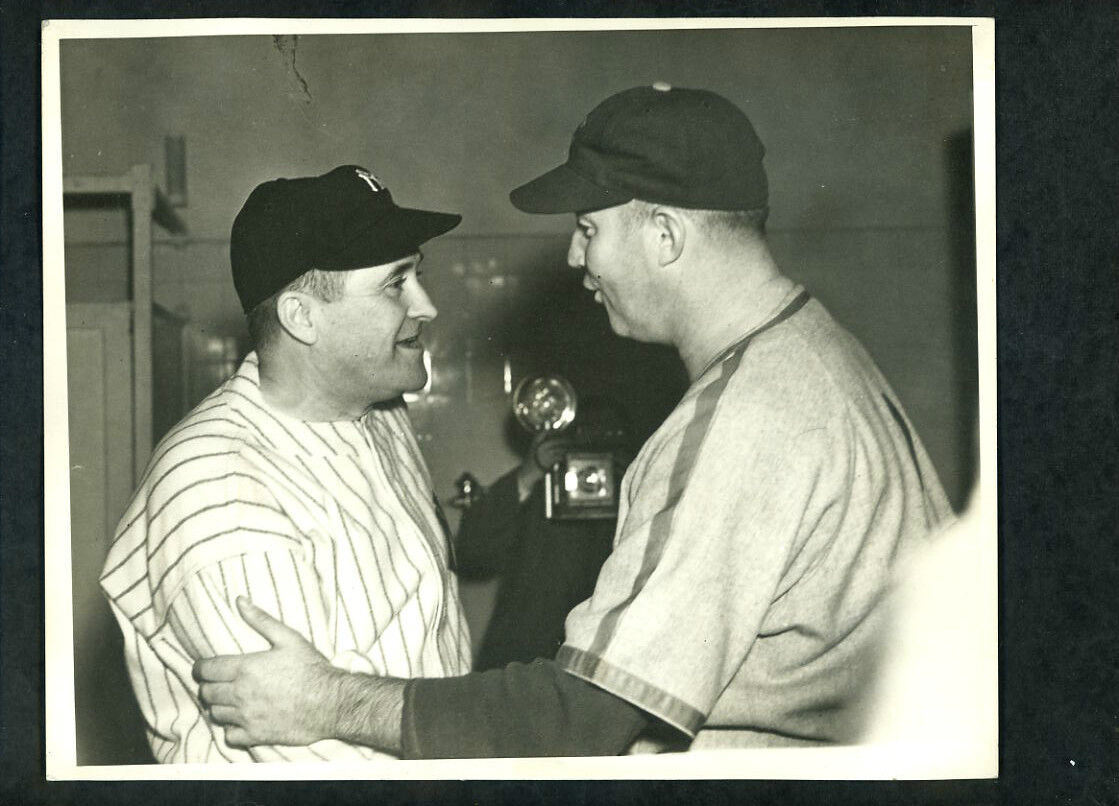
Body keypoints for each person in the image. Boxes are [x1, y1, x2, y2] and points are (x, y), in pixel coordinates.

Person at [194, 85, 955, 757]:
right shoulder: (819, 354)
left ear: (664, 236)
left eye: (589, 228)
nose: (572, 257)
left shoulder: (744, 416)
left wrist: (329, 700)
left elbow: (582, 718)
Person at [99, 164, 473, 763]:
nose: (426, 306)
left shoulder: (378, 412)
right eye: (395, 283)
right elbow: (323, 766)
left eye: (417, 277)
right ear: (302, 317)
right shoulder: (216, 489)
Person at [455, 397, 632, 670]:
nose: (592, 446)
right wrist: (529, 474)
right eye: (582, 435)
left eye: (609, 437)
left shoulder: (636, 490)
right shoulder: (540, 488)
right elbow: (472, 552)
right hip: (526, 655)